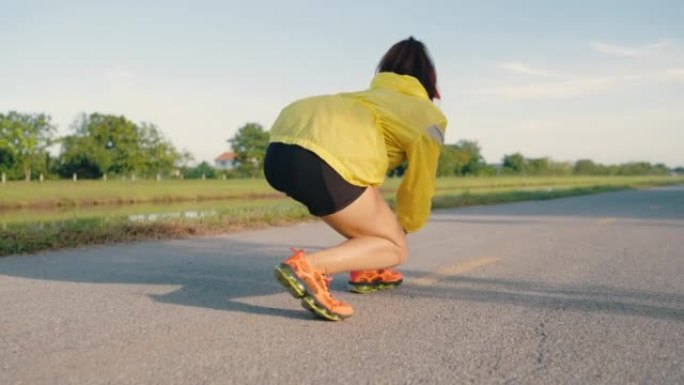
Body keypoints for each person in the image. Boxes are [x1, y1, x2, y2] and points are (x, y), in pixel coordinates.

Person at [263, 36, 447, 321]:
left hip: (278, 151)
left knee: (367, 215)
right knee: (394, 246)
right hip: (323, 160)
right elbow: (419, 186)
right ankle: (309, 267)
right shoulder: (429, 117)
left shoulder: (365, 100)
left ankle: (367, 269)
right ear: (430, 80)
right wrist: (403, 229)